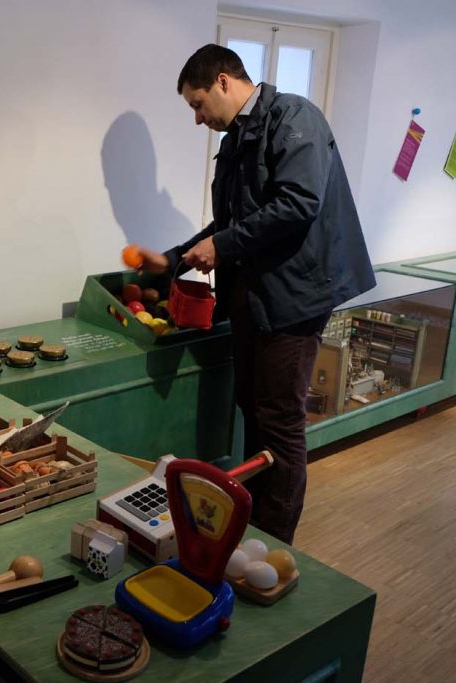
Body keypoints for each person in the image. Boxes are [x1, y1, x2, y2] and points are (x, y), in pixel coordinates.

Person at [132, 45, 375, 544]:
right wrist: (175, 257)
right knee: (253, 407)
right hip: (254, 295)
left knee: (280, 422)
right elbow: (233, 221)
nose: (198, 119)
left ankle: (275, 541)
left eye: (198, 104)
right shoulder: (240, 136)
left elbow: (297, 204)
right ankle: (253, 525)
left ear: (223, 81)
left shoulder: (294, 117)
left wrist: (220, 246)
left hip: (294, 297)